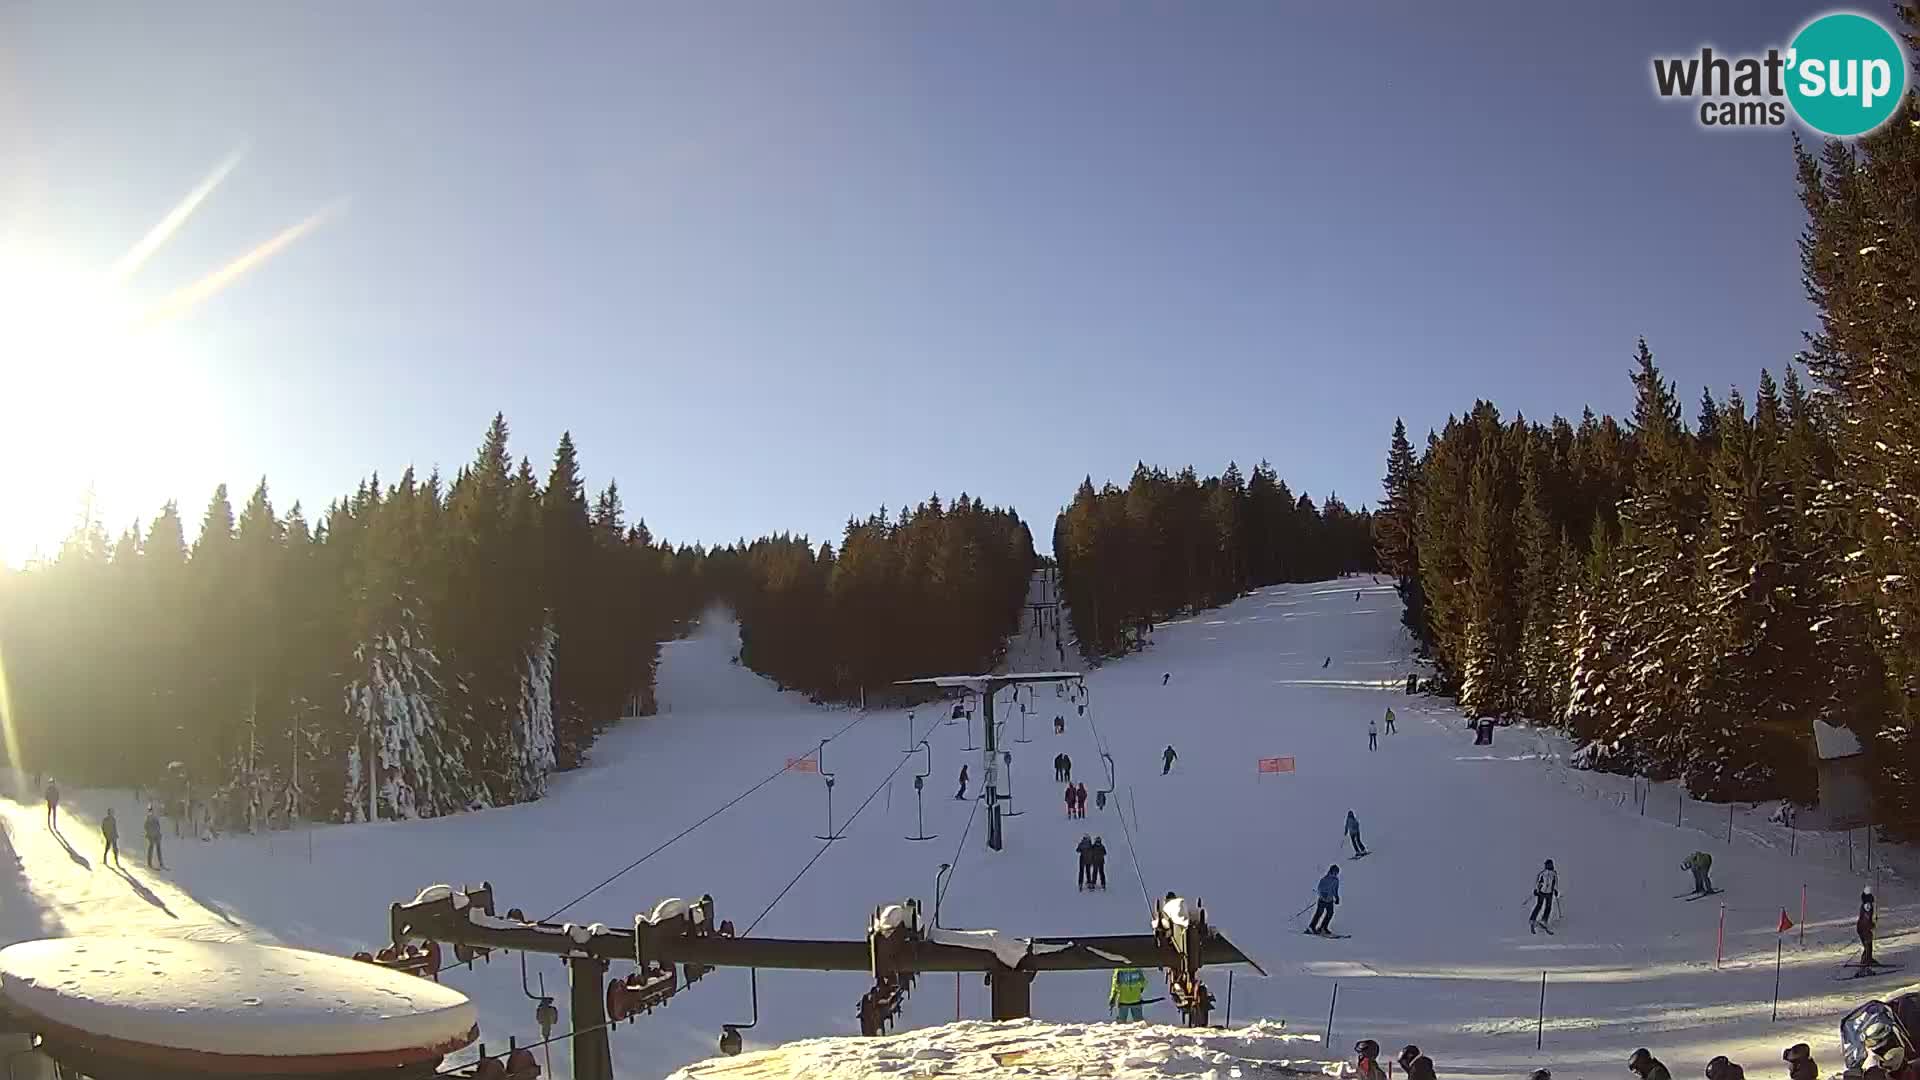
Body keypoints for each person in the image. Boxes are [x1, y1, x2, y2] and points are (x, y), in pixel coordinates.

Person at [1309, 864, 1340, 935]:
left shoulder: (1336, 880)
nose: (1336, 874)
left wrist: (1337, 897)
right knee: (1319, 913)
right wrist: (1323, 894)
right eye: (1334, 872)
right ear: (1331, 871)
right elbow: (1319, 888)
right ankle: (1312, 927)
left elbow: (1335, 890)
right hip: (1322, 900)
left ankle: (1323, 927)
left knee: (1330, 913)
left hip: (1330, 900)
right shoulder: (1324, 879)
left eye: (1337, 873)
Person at [1531, 859, 1558, 933]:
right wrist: (1536, 889)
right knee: (1539, 905)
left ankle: (1544, 920)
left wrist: (1556, 890)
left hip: (1549, 893)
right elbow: (1538, 882)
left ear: (1552, 865)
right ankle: (1533, 919)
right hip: (1542, 892)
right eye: (1547, 865)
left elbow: (1555, 882)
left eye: (1549, 865)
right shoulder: (1542, 873)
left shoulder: (1554, 873)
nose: (1548, 866)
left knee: (1548, 907)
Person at [1861, 885, 1879, 966]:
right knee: (1868, 945)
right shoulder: (1867, 906)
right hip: (1864, 928)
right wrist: (1871, 925)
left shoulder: (1866, 904)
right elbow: (1865, 918)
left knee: (1868, 945)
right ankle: (1866, 962)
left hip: (1863, 927)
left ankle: (1868, 959)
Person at [144, 804, 165, 870]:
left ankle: (160, 862)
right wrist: (149, 833)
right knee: (151, 847)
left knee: (158, 848)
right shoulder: (149, 817)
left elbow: (158, 826)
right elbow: (146, 826)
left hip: (156, 835)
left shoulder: (155, 818)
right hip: (152, 835)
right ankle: (149, 862)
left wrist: (159, 834)